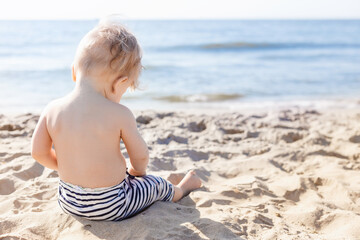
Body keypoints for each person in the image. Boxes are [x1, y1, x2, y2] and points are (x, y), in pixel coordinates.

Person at [30, 19, 201, 221]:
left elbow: (38, 152)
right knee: (156, 184)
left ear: (74, 72)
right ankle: (181, 190)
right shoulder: (120, 113)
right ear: (120, 83)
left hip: (69, 201)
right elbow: (141, 157)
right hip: (111, 204)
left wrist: (68, 167)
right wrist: (137, 171)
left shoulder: (52, 108)